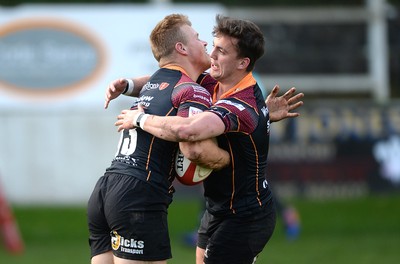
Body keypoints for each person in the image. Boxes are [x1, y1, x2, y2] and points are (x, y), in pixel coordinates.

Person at [114, 14, 304, 264]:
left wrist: (139, 119)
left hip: (246, 215)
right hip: (216, 208)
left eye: (221, 51)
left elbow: (190, 131)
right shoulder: (212, 80)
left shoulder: (241, 105)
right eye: (213, 46)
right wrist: (128, 85)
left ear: (242, 63)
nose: (212, 54)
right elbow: (165, 81)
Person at [87, 14, 231, 264]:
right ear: (181, 48)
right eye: (197, 37)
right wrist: (226, 160)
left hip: (105, 190)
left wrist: (128, 84)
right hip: (139, 194)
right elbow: (193, 148)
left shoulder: (156, 82)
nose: (205, 43)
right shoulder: (193, 90)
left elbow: (150, 82)